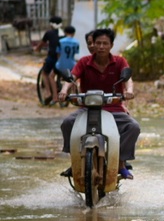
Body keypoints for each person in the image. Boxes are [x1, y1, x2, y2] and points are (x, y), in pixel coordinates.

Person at [58, 28, 140, 180]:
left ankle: (121, 164)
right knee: (67, 123)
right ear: (93, 45)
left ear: (111, 45)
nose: (101, 46)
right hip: (87, 108)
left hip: (114, 108)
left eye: (105, 43)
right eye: (98, 43)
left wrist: (129, 90)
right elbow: (72, 78)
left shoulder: (120, 61)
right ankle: (75, 162)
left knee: (133, 127)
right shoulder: (84, 62)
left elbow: (128, 79)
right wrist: (64, 91)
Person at [38, 16, 64, 105]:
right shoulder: (63, 33)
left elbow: (41, 44)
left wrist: (36, 49)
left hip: (52, 58)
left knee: (45, 74)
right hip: (62, 59)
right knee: (58, 75)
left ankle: (49, 93)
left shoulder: (49, 33)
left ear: (51, 24)